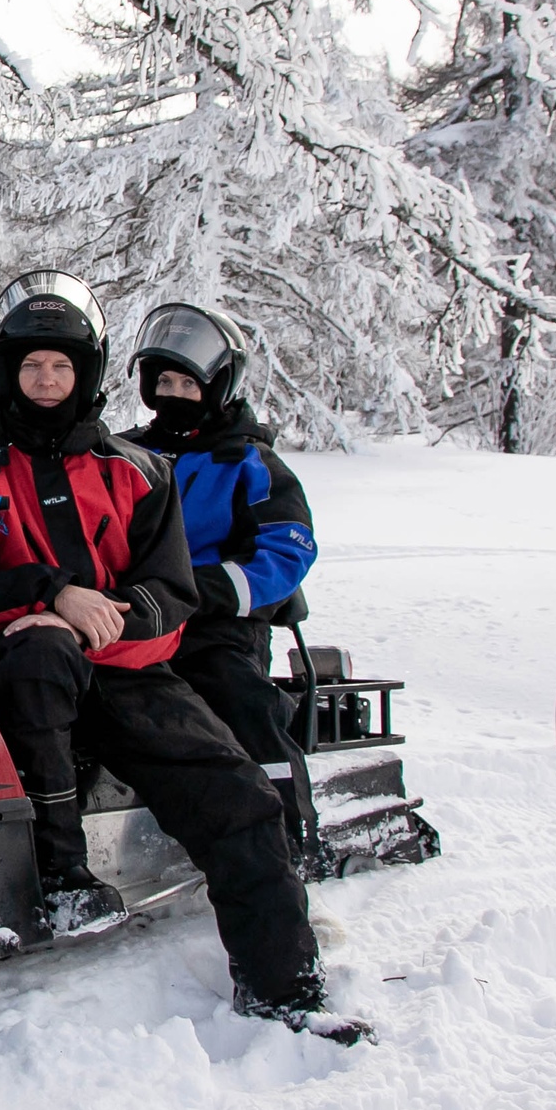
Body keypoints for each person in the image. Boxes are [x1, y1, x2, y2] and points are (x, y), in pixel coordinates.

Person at [0, 271, 360, 1041]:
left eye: (61, 365)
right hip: (6, 672)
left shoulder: (138, 471)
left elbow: (172, 591)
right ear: (4, 370)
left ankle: (285, 989)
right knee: (41, 657)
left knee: (239, 796)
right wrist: (46, 599)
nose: (47, 380)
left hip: (124, 668)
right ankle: (58, 876)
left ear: (86, 371)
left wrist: (101, 620)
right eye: (31, 366)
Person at [120, 303, 323, 871]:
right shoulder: (125, 451)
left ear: (219, 386)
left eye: (189, 382)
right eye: (164, 380)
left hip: (219, 623)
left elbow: (289, 549)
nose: (175, 392)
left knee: (239, 699)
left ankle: (291, 837)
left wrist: (208, 589)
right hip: (134, 614)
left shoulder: (249, 461)